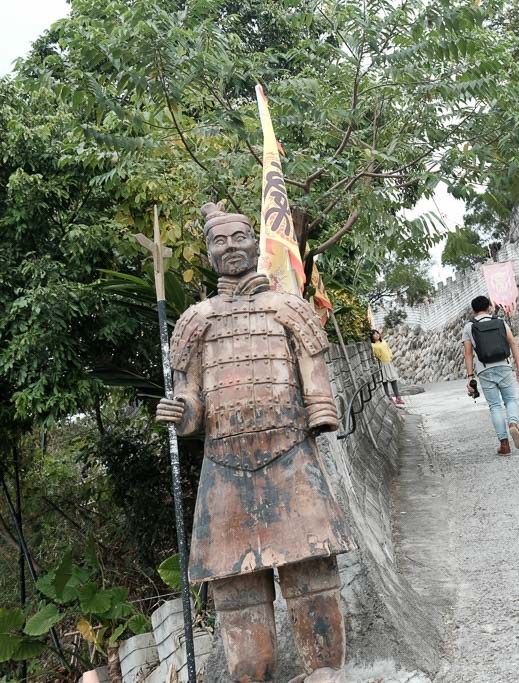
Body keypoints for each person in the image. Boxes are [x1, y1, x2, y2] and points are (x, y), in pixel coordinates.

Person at [156, 203, 349, 681]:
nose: (231, 248)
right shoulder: (194, 321)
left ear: (254, 243)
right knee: (236, 586)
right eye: (219, 242)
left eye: (239, 237)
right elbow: (191, 400)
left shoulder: (288, 308)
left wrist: (320, 415)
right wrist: (180, 414)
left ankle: (324, 671)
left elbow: (315, 381)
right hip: (224, 465)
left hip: (290, 456)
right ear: (208, 253)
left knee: (311, 570)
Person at [462, 295, 519, 455]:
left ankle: (504, 444)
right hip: (503, 365)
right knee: (510, 400)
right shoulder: (500, 322)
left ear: (473, 310)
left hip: (484, 369)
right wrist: (518, 367)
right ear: (489, 307)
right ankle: (513, 423)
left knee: (495, 406)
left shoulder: (469, 327)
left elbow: (468, 354)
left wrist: (471, 377)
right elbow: (513, 343)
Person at [370, 329, 404, 406]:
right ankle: (389, 398)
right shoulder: (373, 345)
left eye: (377, 333)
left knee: (393, 380)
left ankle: (398, 397)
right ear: (372, 337)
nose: (377, 335)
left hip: (389, 362)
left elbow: (388, 349)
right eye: (374, 334)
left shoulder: (383, 341)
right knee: (384, 381)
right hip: (381, 364)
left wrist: (391, 357)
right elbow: (373, 356)